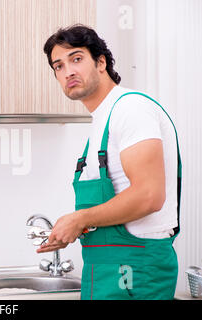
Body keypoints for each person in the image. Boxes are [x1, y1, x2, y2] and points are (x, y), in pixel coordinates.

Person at [38, 24, 182, 300]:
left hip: (135, 270)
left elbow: (149, 196)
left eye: (76, 59)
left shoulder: (131, 110)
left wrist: (79, 218)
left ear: (101, 62)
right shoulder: (102, 122)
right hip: (105, 268)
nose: (67, 71)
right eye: (58, 66)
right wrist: (74, 227)